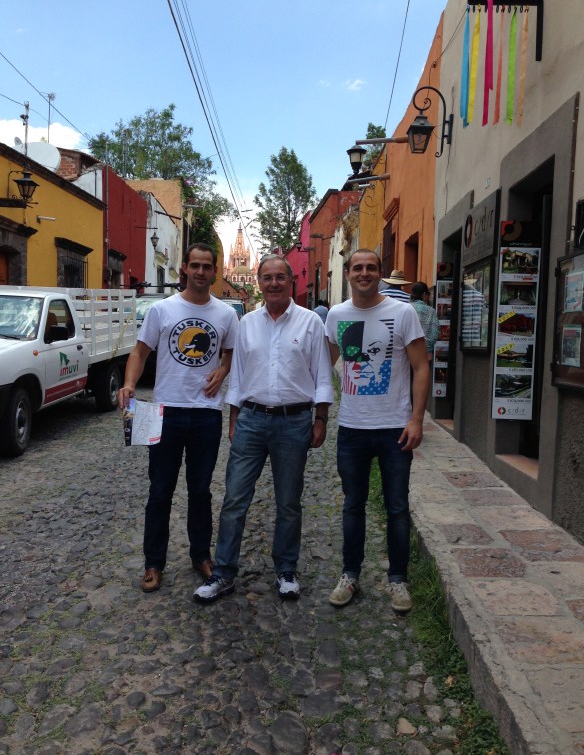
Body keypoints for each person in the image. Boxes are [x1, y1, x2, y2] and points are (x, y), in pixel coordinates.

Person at [194, 255, 334, 603]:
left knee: (288, 503)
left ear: (292, 282)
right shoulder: (247, 324)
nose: (273, 283)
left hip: (295, 421)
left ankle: (286, 570)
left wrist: (321, 419)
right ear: (259, 282)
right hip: (252, 421)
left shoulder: (310, 324)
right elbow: (238, 376)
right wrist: (233, 419)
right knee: (234, 500)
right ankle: (224, 573)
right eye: (267, 278)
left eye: (280, 278)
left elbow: (322, 375)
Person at [118, 243, 238, 593]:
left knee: (200, 491)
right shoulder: (162, 310)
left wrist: (224, 369)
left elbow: (230, 355)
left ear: (215, 272)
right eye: (195, 266)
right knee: (160, 490)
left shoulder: (226, 315)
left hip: (206, 413)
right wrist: (128, 384)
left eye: (207, 267)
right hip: (164, 410)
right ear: (184, 269)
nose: (201, 272)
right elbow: (140, 352)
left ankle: (201, 555)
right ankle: (153, 562)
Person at [325, 249, 430, 613]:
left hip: (393, 429)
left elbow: (421, 366)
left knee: (397, 507)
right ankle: (350, 575)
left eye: (371, 268)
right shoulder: (337, 315)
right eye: (358, 268)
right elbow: (326, 364)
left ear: (380, 274)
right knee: (353, 505)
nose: (364, 273)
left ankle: (398, 581)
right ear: (349, 274)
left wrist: (416, 419)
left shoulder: (402, 313)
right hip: (352, 428)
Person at [410, 281, 440, 360]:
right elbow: (434, 333)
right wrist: (427, 346)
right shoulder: (431, 311)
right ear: (424, 294)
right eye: (428, 294)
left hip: (407, 353)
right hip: (425, 354)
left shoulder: (406, 308)